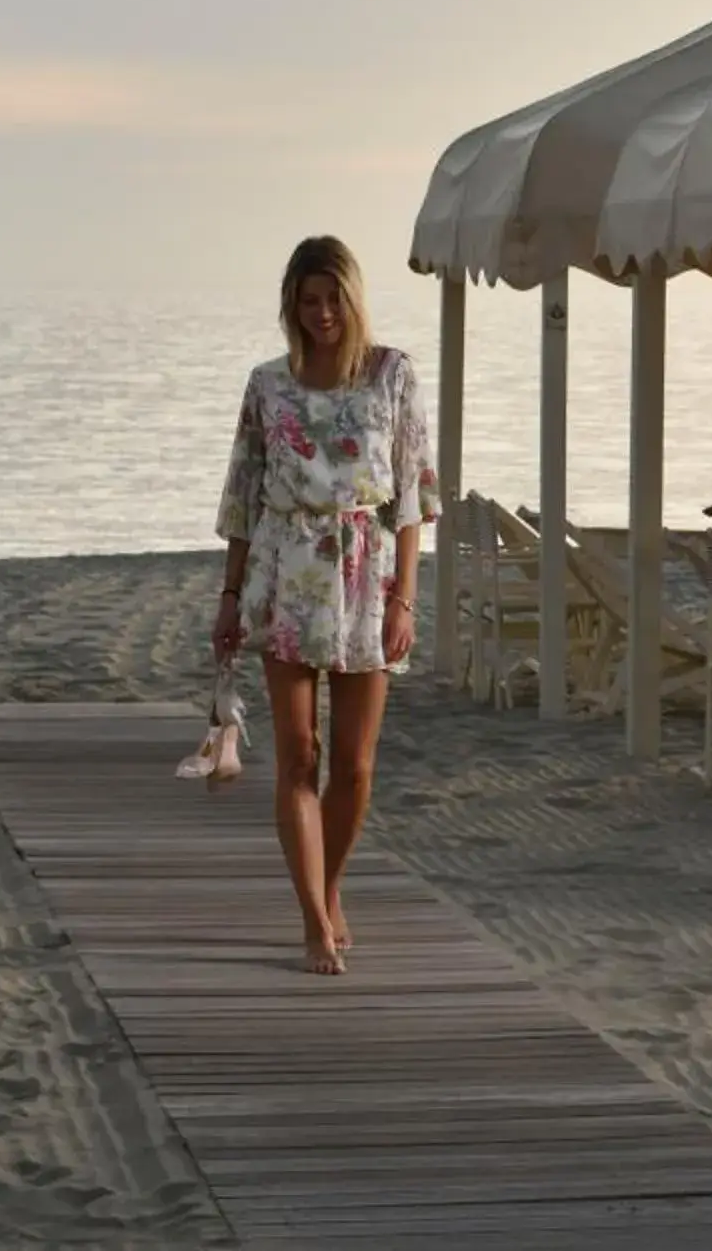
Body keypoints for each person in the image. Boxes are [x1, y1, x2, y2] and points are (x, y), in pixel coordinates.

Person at [208, 236, 436, 977]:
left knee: (356, 764)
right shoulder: (267, 386)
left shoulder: (391, 375)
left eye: (333, 298)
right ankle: (312, 919)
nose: (323, 314)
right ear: (291, 307)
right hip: (286, 571)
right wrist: (231, 594)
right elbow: (243, 498)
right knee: (298, 757)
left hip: (369, 576)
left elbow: (412, 497)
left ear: (353, 297)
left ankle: (329, 885)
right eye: (309, 302)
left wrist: (407, 596)